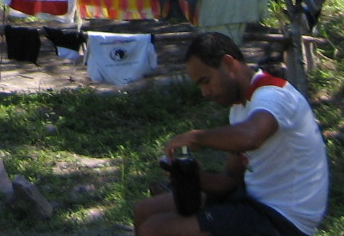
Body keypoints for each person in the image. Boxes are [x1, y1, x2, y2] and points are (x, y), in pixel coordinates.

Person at [134, 32, 329, 236]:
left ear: (228, 63)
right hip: (251, 201)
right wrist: (188, 176)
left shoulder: (273, 94)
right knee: (145, 211)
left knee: (155, 230)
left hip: (283, 219)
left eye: (206, 80)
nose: (205, 92)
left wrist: (197, 137)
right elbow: (229, 180)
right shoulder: (238, 109)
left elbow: (251, 137)